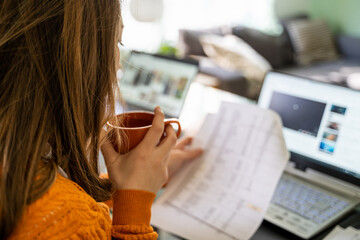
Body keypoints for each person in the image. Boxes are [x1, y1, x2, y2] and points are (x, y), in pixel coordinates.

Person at [0, 0, 203, 239]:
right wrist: (136, 203)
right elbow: (65, 214)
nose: (118, 61)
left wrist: (127, 184)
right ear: (82, 63)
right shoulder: (73, 219)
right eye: (117, 42)